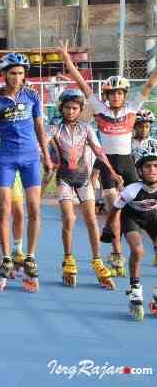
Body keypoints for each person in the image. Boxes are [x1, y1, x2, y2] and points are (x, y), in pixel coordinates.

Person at [59, 39, 157, 277]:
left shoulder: (133, 107)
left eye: (119, 94)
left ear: (124, 95)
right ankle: (116, 252)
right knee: (116, 208)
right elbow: (82, 84)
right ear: (107, 95)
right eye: (112, 94)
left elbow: (150, 83)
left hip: (128, 165)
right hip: (107, 164)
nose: (115, 98)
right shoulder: (99, 108)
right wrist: (65, 57)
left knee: (144, 207)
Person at [0, 52, 53, 293]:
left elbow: (40, 128)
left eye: (21, 73)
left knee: (33, 209)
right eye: (12, 73)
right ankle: (6, 257)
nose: (17, 77)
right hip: (6, 160)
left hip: (31, 159)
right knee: (4, 210)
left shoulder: (32, 95)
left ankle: (30, 256)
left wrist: (47, 156)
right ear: (4, 75)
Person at [47, 88, 121, 289]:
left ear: (80, 110)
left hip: (83, 179)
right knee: (69, 218)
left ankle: (97, 260)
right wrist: (45, 161)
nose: (71, 111)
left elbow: (99, 150)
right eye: (67, 108)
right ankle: (69, 258)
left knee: (91, 220)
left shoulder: (86, 128)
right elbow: (41, 144)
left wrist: (112, 172)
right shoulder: (55, 127)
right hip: (64, 180)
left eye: (75, 108)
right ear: (61, 108)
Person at [106, 146, 157, 320]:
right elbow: (114, 210)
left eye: (156, 166)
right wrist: (108, 229)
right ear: (140, 171)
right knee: (138, 251)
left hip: (152, 217)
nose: (152, 170)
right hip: (132, 217)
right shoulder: (132, 190)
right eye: (148, 166)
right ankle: (135, 289)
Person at [132, 109, 157, 266]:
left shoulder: (154, 143)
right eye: (141, 126)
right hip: (134, 186)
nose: (144, 129)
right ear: (135, 127)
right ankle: (117, 253)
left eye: (147, 126)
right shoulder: (128, 143)